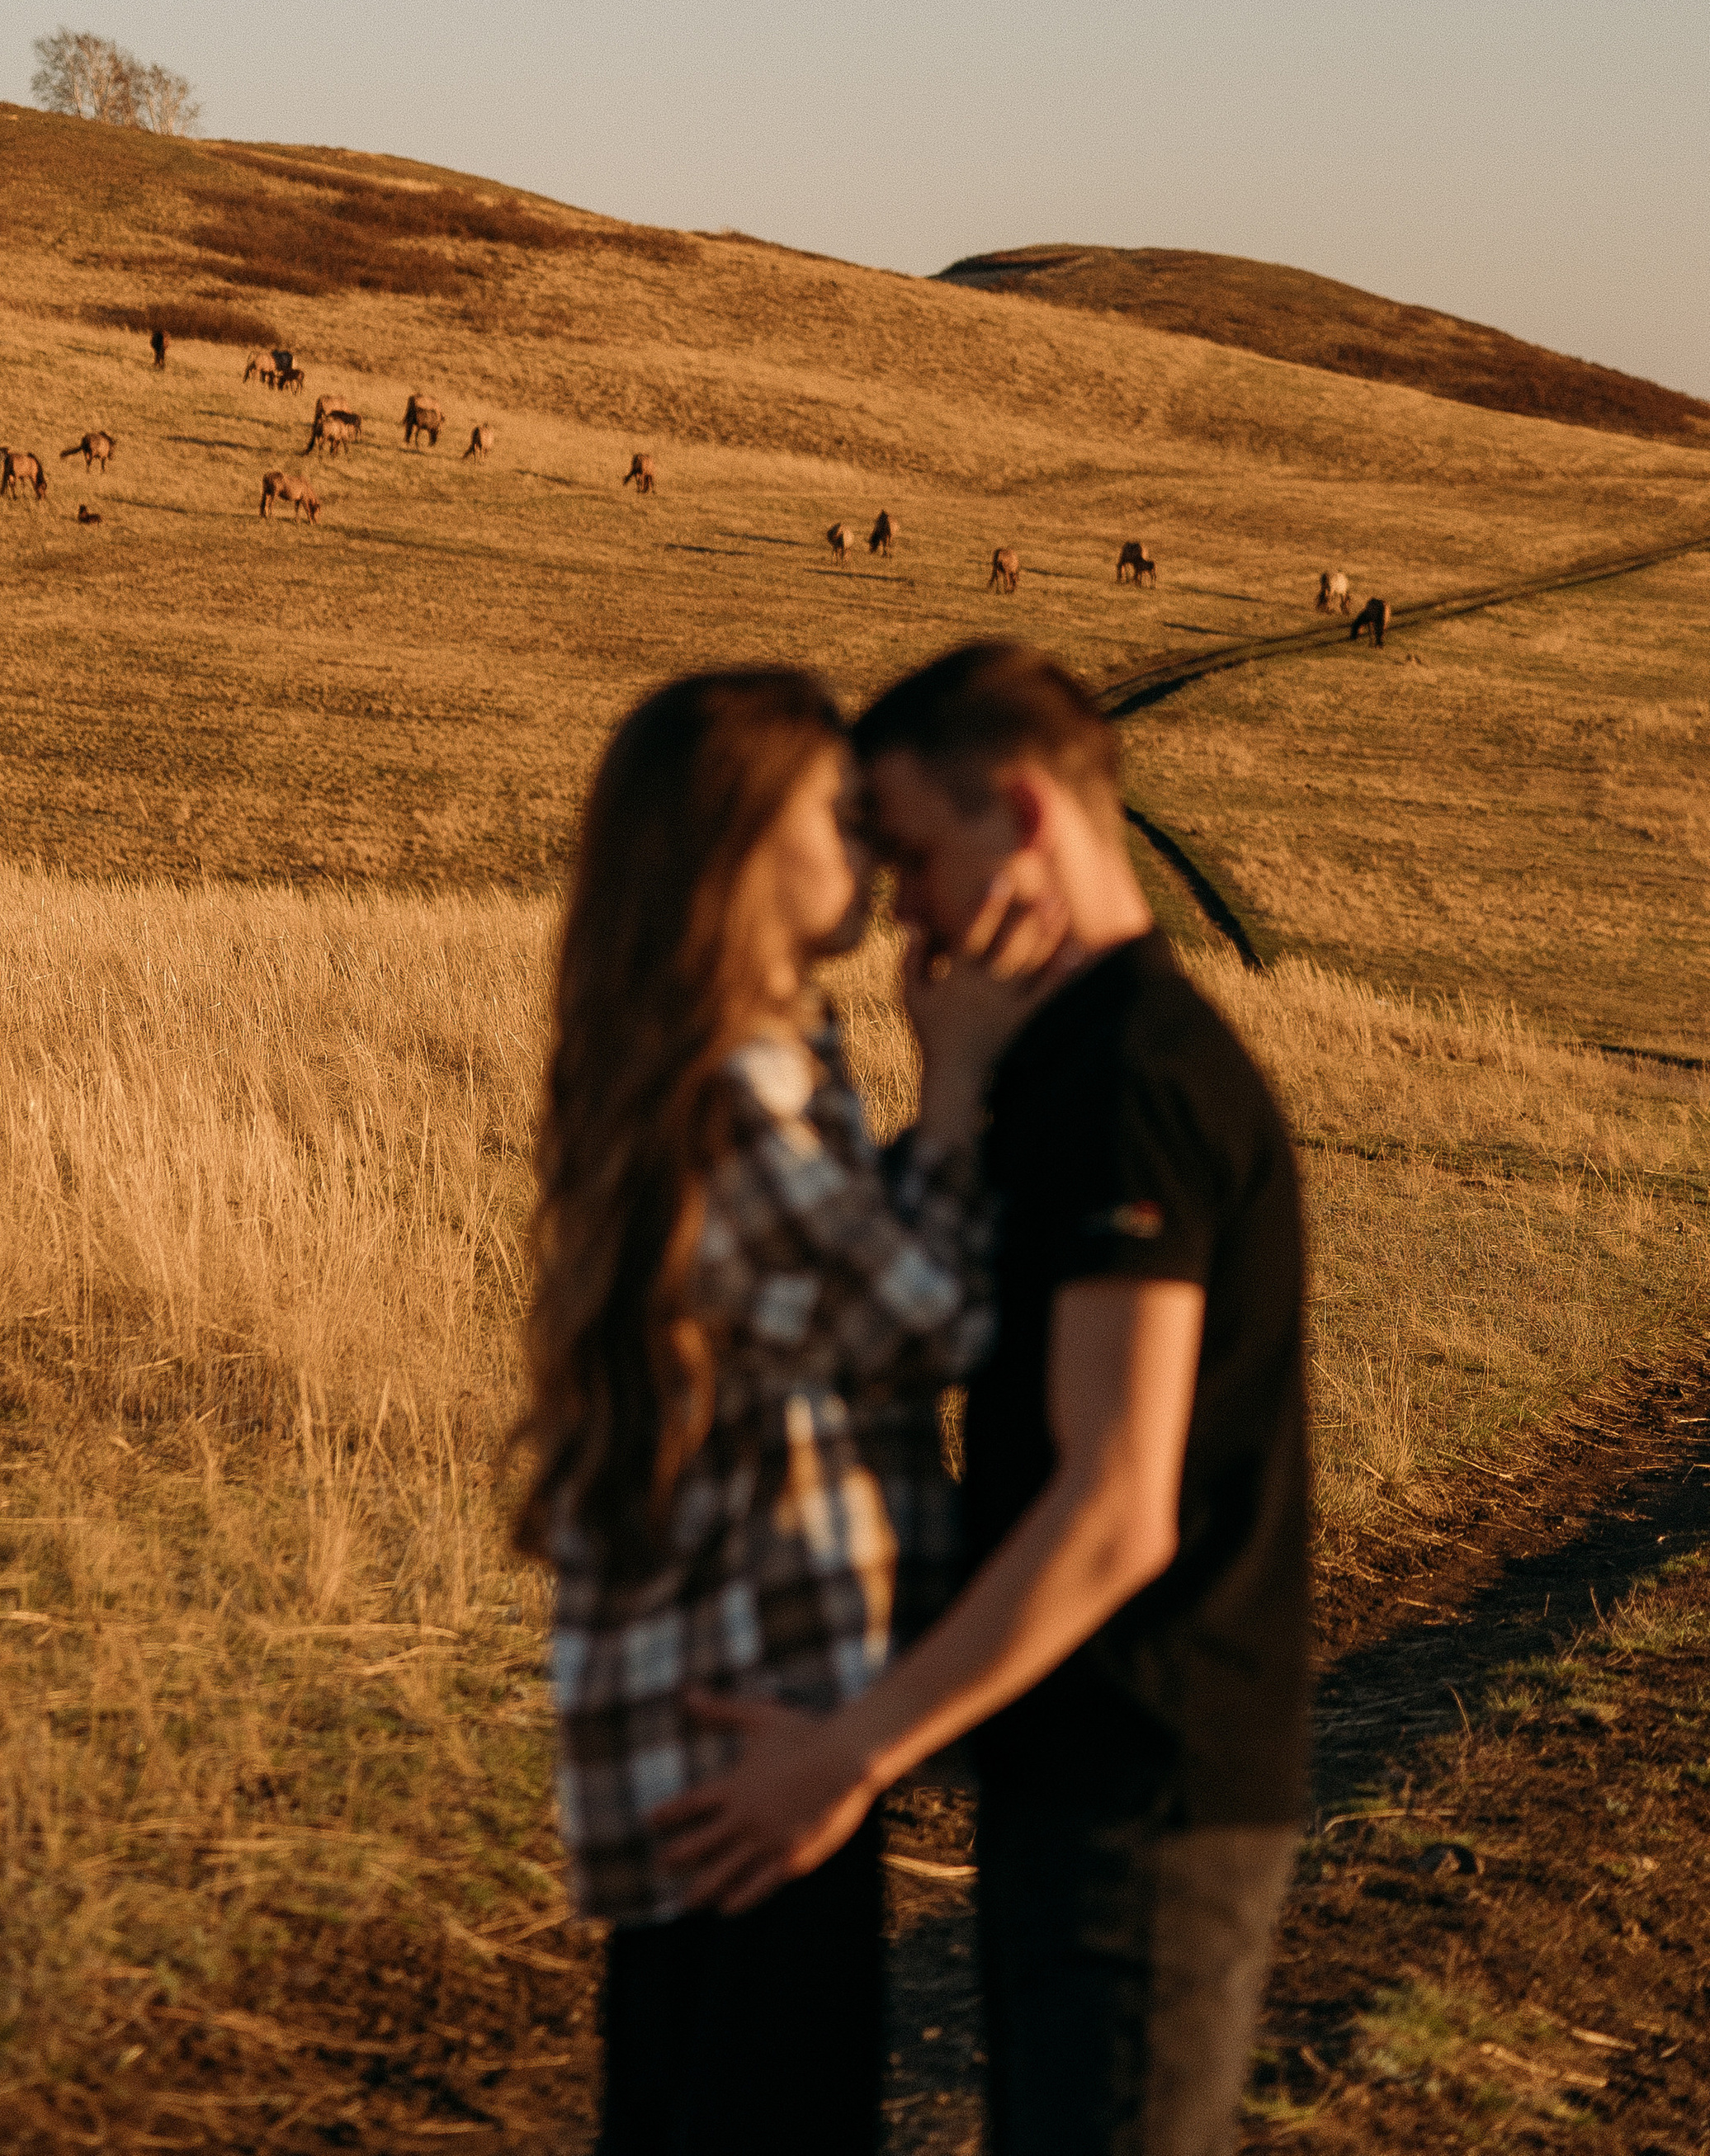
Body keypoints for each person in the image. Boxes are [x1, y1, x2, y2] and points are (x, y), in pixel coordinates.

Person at [656, 641, 1310, 2156]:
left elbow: (1117, 1506)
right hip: (1074, 1761)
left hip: (1147, 1781)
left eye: (913, 855)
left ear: (1023, 814)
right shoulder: (1059, 1058)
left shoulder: (1134, 1079)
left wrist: (852, 1751)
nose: (897, 909)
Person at [514, 668, 998, 2156]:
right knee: (772, 2104)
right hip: (765, 1712)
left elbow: (843, 1283)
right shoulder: (742, 1087)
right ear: (734, 849)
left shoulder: (706, 1071)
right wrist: (974, 1093)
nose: (874, 852)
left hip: (707, 1699)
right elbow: (923, 1320)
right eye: (840, 819)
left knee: (686, 2094)